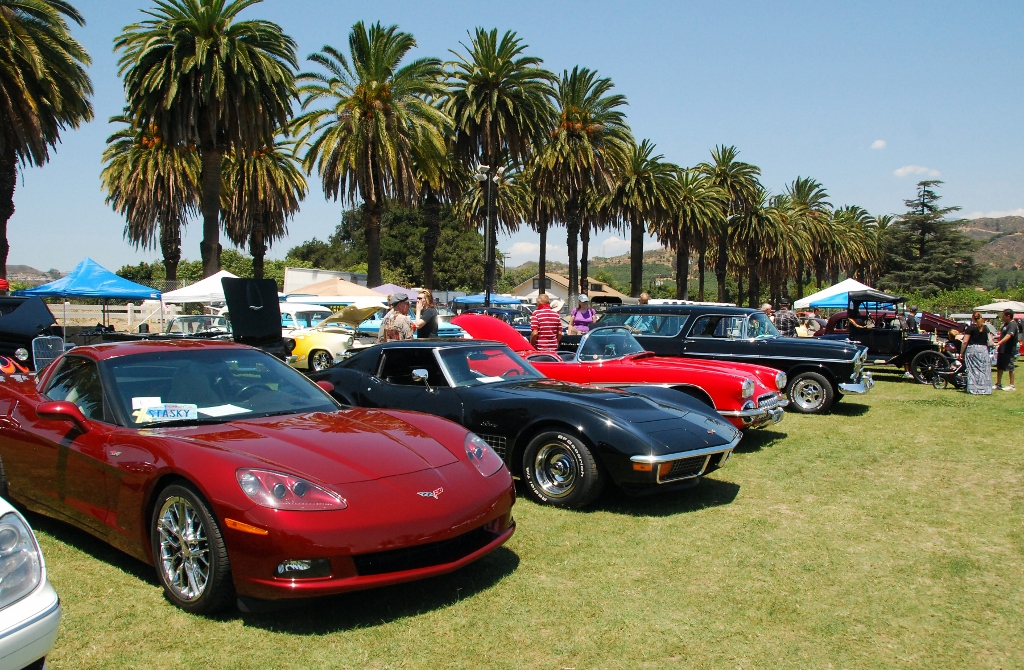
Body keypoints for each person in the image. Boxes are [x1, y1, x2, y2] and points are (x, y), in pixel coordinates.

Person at [962, 311, 993, 395]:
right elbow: (990, 340)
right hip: (983, 350)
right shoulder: (985, 328)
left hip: (972, 349)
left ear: (972, 318)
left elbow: (965, 341)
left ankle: (974, 388)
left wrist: (961, 352)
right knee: (983, 370)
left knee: (972, 370)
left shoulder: (970, 328)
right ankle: (985, 389)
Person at [995, 308, 1018, 391]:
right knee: (1000, 366)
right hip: (1002, 349)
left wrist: (998, 343)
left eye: (1003, 315)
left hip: (1009, 349)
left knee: (1010, 366)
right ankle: (998, 384)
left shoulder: (1013, 325)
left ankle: (1012, 385)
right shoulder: (1005, 324)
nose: (1002, 317)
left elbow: (1008, 336)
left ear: (1008, 316)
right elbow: (1002, 335)